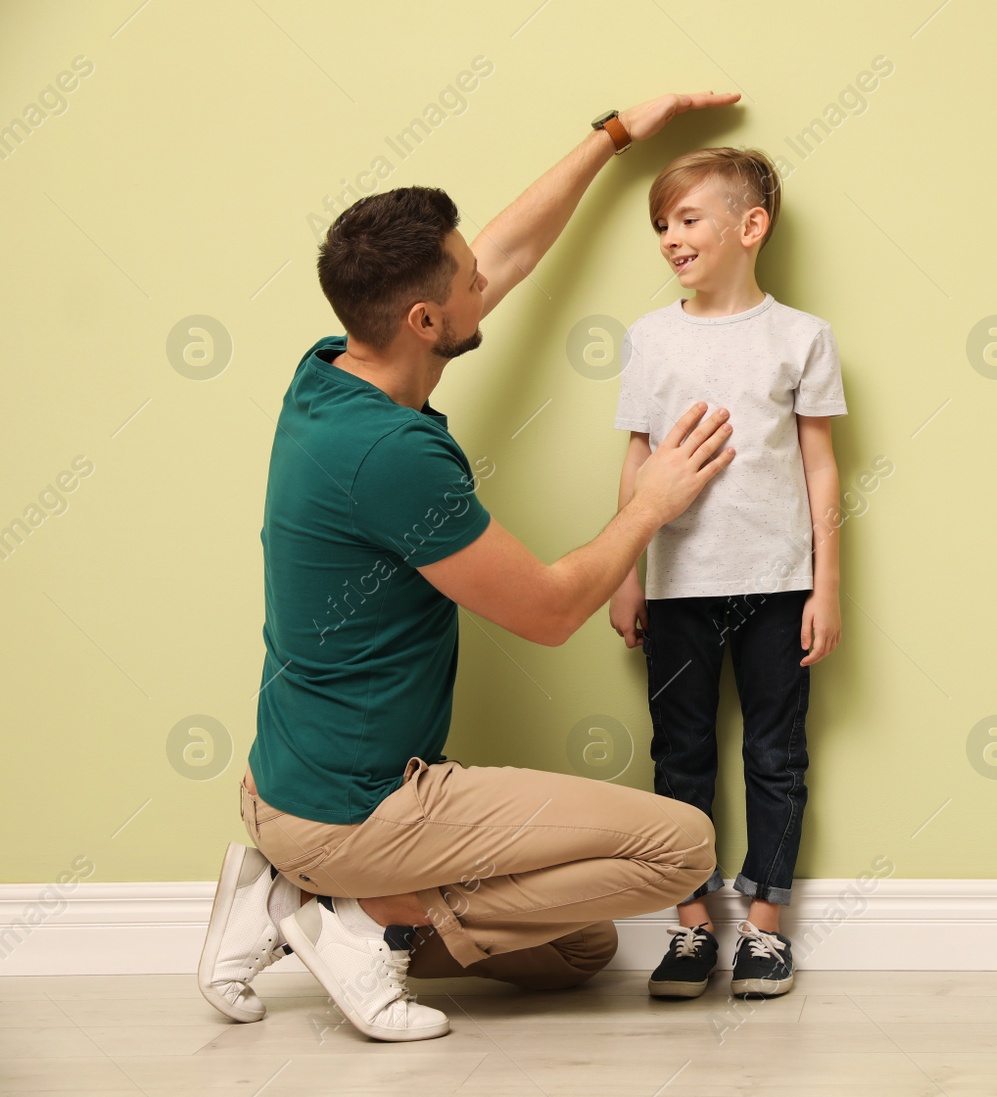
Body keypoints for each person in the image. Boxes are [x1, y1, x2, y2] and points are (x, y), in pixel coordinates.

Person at [196, 92, 747, 1044]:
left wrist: (613, 137)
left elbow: (511, 249)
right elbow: (546, 609)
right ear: (423, 317)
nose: (481, 274)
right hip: (362, 801)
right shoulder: (393, 457)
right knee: (680, 846)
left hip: (291, 787)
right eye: (464, 276)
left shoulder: (330, 367)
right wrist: (650, 504)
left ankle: (295, 894)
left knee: (578, 951)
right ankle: (358, 917)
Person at [606, 147, 847, 1001]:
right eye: (662, 225)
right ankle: (690, 926)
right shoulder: (649, 337)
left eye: (688, 219)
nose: (671, 237)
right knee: (682, 756)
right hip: (676, 587)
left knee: (776, 754)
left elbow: (820, 466)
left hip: (777, 583)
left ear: (751, 226)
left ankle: (766, 931)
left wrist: (827, 584)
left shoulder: (801, 337)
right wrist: (624, 572)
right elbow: (637, 457)